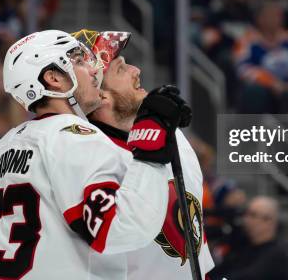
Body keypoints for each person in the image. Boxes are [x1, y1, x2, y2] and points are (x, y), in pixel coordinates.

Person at [0, 30, 191, 279]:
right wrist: (150, 151)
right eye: (78, 61)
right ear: (54, 79)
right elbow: (120, 229)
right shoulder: (78, 139)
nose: (93, 70)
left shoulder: (2, 148)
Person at [71, 29, 215, 279]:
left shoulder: (171, 133)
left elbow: (193, 238)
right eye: (120, 69)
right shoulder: (86, 161)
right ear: (99, 94)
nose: (136, 70)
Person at [210, 196, 288, 280]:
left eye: (253, 215)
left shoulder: (277, 255)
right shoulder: (245, 246)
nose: (246, 219)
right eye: (246, 214)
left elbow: (248, 276)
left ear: (269, 221)